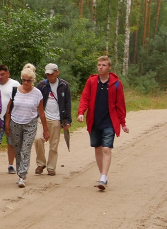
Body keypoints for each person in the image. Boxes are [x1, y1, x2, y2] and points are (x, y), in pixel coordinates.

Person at [77, 56, 128, 191]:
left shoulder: (116, 83)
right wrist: (81, 112)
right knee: (98, 148)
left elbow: (120, 104)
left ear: (109, 67)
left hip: (109, 121)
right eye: (99, 65)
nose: (100, 67)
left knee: (106, 148)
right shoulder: (92, 81)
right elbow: (85, 97)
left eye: (104, 65)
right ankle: (102, 176)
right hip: (94, 120)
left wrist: (123, 122)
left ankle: (103, 177)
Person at [5, 64, 50, 188]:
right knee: (18, 150)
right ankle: (20, 170)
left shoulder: (37, 94)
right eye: (24, 80)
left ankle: (22, 176)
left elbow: (41, 112)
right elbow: (9, 110)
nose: (26, 82)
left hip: (30, 124)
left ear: (33, 80)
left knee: (25, 150)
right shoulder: (14, 91)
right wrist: (7, 124)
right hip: (15, 123)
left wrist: (45, 130)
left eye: (28, 80)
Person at [34, 63, 71, 177]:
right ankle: (41, 163)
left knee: (53, 144)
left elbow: (68, 103)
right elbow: (35, 100)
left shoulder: (64, 85)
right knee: (38, 139)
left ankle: (51, 167)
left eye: (51, 73)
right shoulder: (42, 85)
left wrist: (68, 120)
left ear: (57, 72)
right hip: (42, 117)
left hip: (57, 118)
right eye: (47, 74)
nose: (49, 76)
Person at [0, 65, 21, 176]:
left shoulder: (15, 85)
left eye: (2, 74)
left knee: (11, 143)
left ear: (8, 74)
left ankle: (11, 165)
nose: (0, 77)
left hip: (11, 118)